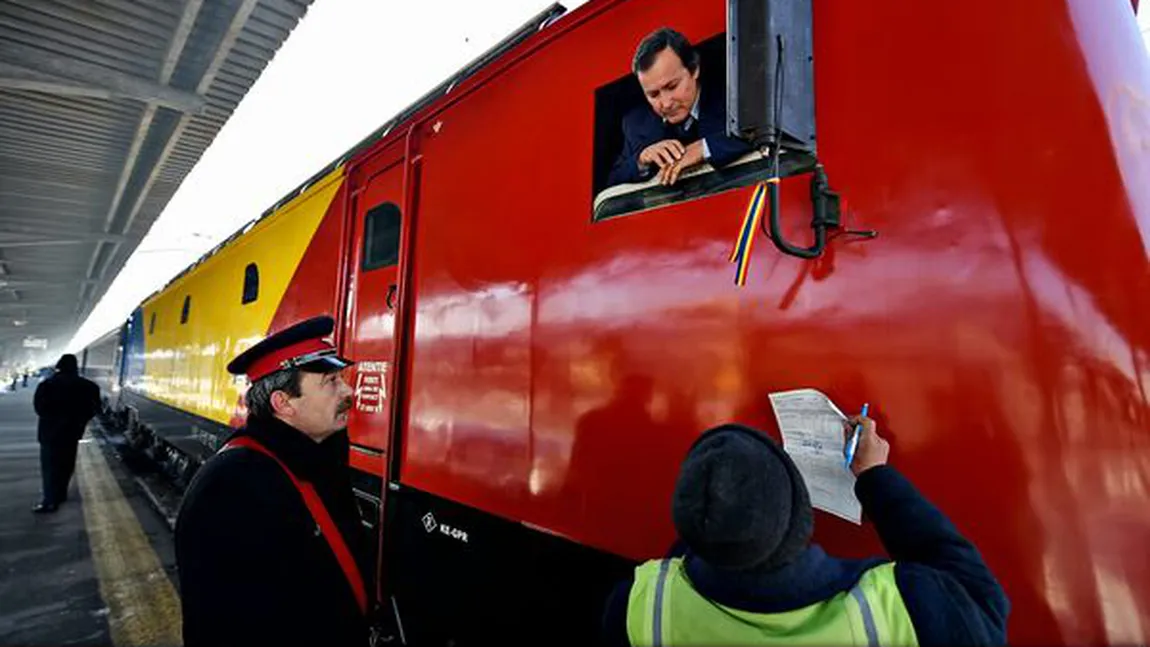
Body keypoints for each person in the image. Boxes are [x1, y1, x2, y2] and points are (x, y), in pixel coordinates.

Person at [602, 417, 1010, 646]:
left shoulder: (637, 610)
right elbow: (985, 600)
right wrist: (876, 480)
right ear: (801, 515)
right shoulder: (906, 608)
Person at [175, 315, 371, 646]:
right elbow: (228, 622)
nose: (348, 390)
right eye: (331, 382)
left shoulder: (315, 459)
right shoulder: (230, 487)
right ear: (283, 403)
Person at [607, 28, 754, 188]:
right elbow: (613, 181)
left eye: (672, 86)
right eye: (654, 95)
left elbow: (766, 127)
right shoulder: (635, 123)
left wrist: (703, 148)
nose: (666, 103)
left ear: (694, 69)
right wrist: (641, 160)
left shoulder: (732, 94)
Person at [32, 354, 101, 513]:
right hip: (72, 432)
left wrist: (52, 418)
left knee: (50, 467)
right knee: (66, 465)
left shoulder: (47, 385)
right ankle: (61, 494)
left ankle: (50, 501)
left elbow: (39, 408)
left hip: (49, 433)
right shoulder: (88, 386)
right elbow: (95, 408)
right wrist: (80, 419)